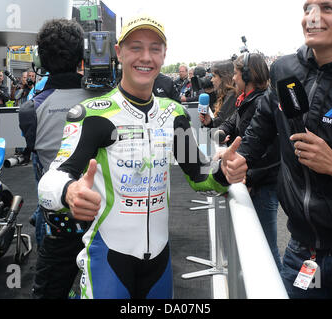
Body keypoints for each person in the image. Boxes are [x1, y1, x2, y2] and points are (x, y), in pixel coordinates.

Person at [37, 14, 231, 299]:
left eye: (155, 48)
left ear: (164, 55)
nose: (146, 57)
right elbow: (50, 181)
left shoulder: (173, 113)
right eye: (135, 47)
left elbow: (200, 175)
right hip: (107, 259)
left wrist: (226, 172)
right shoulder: (92, 113)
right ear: (119, 52)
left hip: (160, 263)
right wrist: (69, 192)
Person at [221, 0, 332, 298]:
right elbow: (263, 119)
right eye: (307, 8)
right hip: (303, 252)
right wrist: (243, 156)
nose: (312, 17)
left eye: (326, 8)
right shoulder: (285, 68)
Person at [18, 18, 93, 299]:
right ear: (82, 55)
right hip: (103, 217)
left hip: (58, 223)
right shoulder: (107, 100)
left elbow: (33, 147)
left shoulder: (30, 110)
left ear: (41, 59)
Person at [217, 53, 282, 271]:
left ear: (247, 74)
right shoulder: (246, 100)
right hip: (254, 183)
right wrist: (219, 131)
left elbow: (272, 154)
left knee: (266, 247)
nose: (233, 79)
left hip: (263, 185)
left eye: (236, 73)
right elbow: (231, 122)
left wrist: (248, 176)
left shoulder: (263, 101)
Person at [199, 60, 237, 128]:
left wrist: (211, 122)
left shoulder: (232, 95)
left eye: (214, 76)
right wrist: (209, 122)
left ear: (223, 77)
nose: (211, 80)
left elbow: (223, 122)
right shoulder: (226, 94)